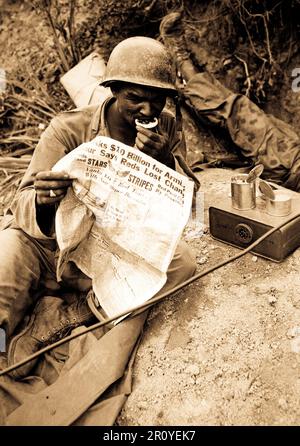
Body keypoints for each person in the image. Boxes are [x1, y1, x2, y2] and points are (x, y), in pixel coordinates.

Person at [0, 36, 199, 380]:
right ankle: (3, 353)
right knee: (4, 270)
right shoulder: (68, 128)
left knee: (182, 263)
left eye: (157, 101)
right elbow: (22, 204)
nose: (148, 112)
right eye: (134, 99)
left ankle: (72, 313)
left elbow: (185, 201)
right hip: (43, 245)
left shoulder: (166, 127)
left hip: (101, 248)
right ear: (114, 90)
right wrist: (45, 200)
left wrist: (163, 159)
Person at [159, 12, 300, 191]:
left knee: (241, 113)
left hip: (290, 168)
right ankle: (188, 75)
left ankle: (184, 65)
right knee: (265, 124)